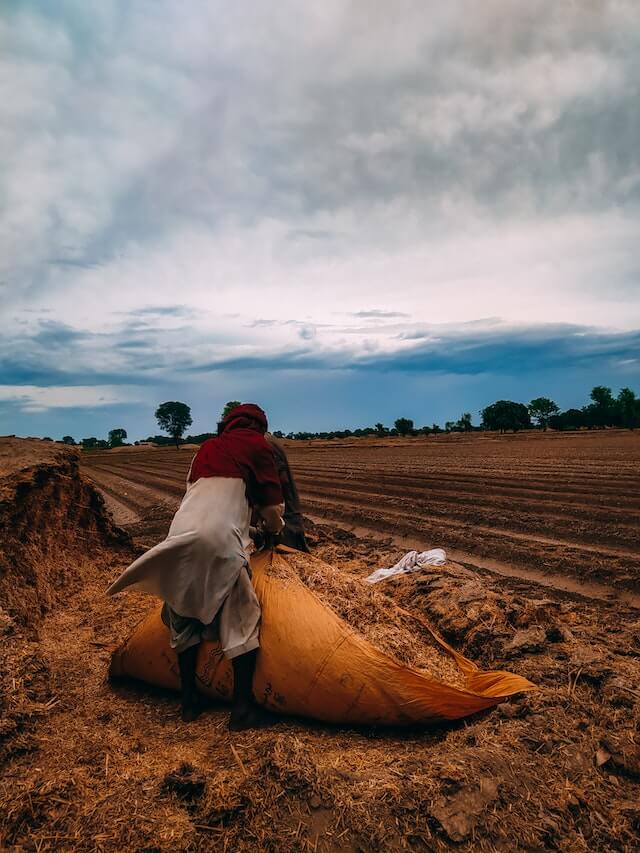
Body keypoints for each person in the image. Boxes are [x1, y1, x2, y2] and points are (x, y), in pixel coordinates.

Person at [107, 403, 284, 729]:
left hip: (181, 534)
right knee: (242, 615)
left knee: (182, 612)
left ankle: (189, 700)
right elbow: (271, 506)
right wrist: (273, 530)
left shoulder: (206, 449)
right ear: (260, 427)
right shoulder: (259, 446)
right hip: (220, 541)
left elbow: (203, 495)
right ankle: (242, 708)